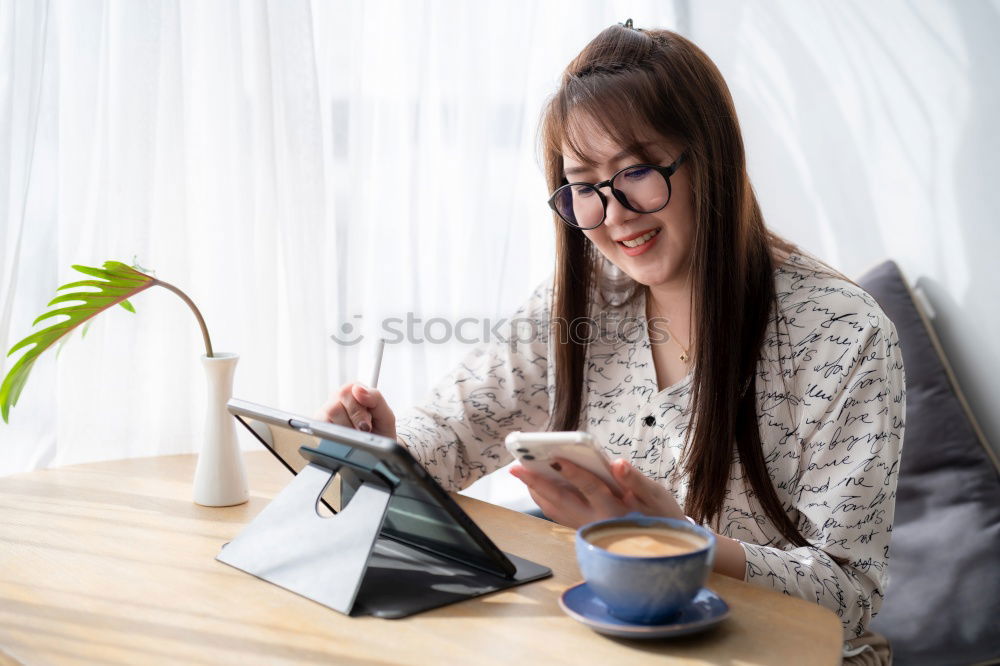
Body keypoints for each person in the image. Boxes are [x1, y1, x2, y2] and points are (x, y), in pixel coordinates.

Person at [316, 21, 904, 664]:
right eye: (585, 185)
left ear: (712, 158)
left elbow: (847, 591)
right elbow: (455, 434)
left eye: (638, 172)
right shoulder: (584, 299)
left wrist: (680, 540)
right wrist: (385, 449)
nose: (614, 212)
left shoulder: (843, 334)